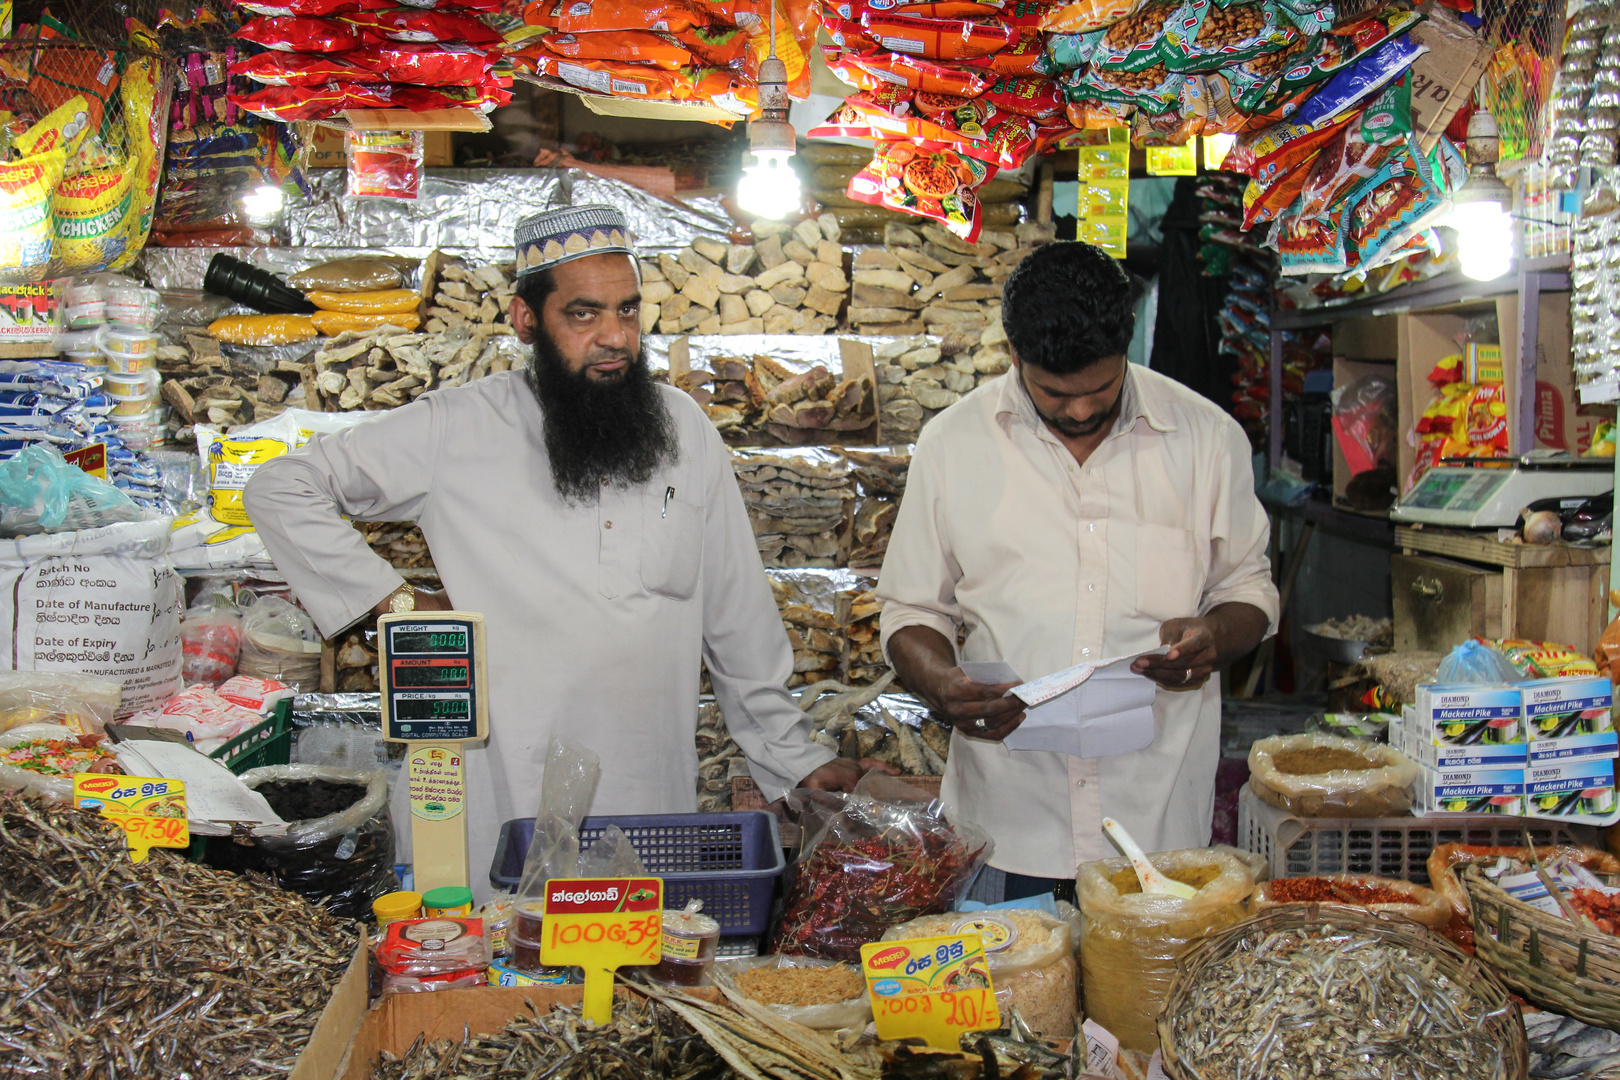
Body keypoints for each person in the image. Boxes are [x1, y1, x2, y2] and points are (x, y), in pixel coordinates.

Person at [245, 205, 872, 900]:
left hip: (646, 811)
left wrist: (796, 760)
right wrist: (394, 603)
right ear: (525, 319)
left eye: (629, 312)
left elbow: (738, 625)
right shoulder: (459, 427)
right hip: (493, 810)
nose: (615, 338)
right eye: (583, 315)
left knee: (627, 989)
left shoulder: (684, 433)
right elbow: (281, 486)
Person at [876, 240, 1278, 902]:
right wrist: (943, 684)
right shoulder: (955, 445)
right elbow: (912, 609)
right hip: (1007, 824)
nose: (1082, 411)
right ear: (1013, 356)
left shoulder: (1207, 439)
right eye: (1054, 393)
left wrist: (1214, 636)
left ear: (1128, 351)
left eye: (1102, 388)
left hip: (1158, 826)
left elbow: (1248, 589)